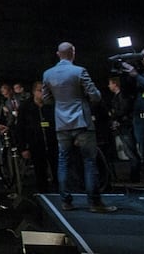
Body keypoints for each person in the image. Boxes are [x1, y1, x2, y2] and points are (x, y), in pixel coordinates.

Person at [41, 42, 116, 213]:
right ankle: (94, 203)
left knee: (63, 162)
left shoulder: (48, 74)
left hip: (61, 123)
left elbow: (46, 100)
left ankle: (66, 201)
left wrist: (60, 104)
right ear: (73, 53)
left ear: (58, 54)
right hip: (82, 122)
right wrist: (83, 100)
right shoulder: (79, 71)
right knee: (89, 162)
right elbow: (95, 96)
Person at [14, 80, 57, 193]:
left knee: (57, 170)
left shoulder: (51, 105)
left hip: (53, 143)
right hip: (36, 145)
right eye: (40, 90)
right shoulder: (25, 107)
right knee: (40, 171)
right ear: (34, 92)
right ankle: (44, 195)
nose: (43, 93)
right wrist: (23, 147)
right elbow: (20, 128)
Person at [119, 48, 144, 183]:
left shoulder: (138, 75)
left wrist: (136, 75)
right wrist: (124, 75)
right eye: (143, 57)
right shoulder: (139, 72)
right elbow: (126, 93)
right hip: (140, 118)